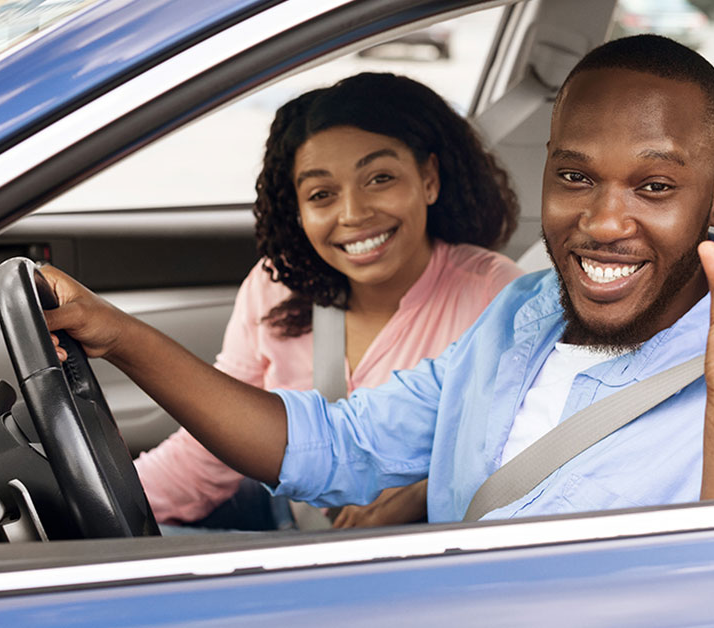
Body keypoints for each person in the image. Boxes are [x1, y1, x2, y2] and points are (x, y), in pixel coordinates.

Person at [44, 35, 714, 524]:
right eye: (577, 178)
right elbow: (338, 444)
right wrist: (116, 334)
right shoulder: (524, 312)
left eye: (654, 187)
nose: (606, 222)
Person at [132, 72, 523, 529]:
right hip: (290, 516)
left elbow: (518, 450)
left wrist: (420, 492)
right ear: (299, 211)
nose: (354, 214)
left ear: (429, 179)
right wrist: (91, 510)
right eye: (322, 194)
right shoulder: (276, 285)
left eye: (380, 178)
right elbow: (206, 455)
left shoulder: (494, 294)